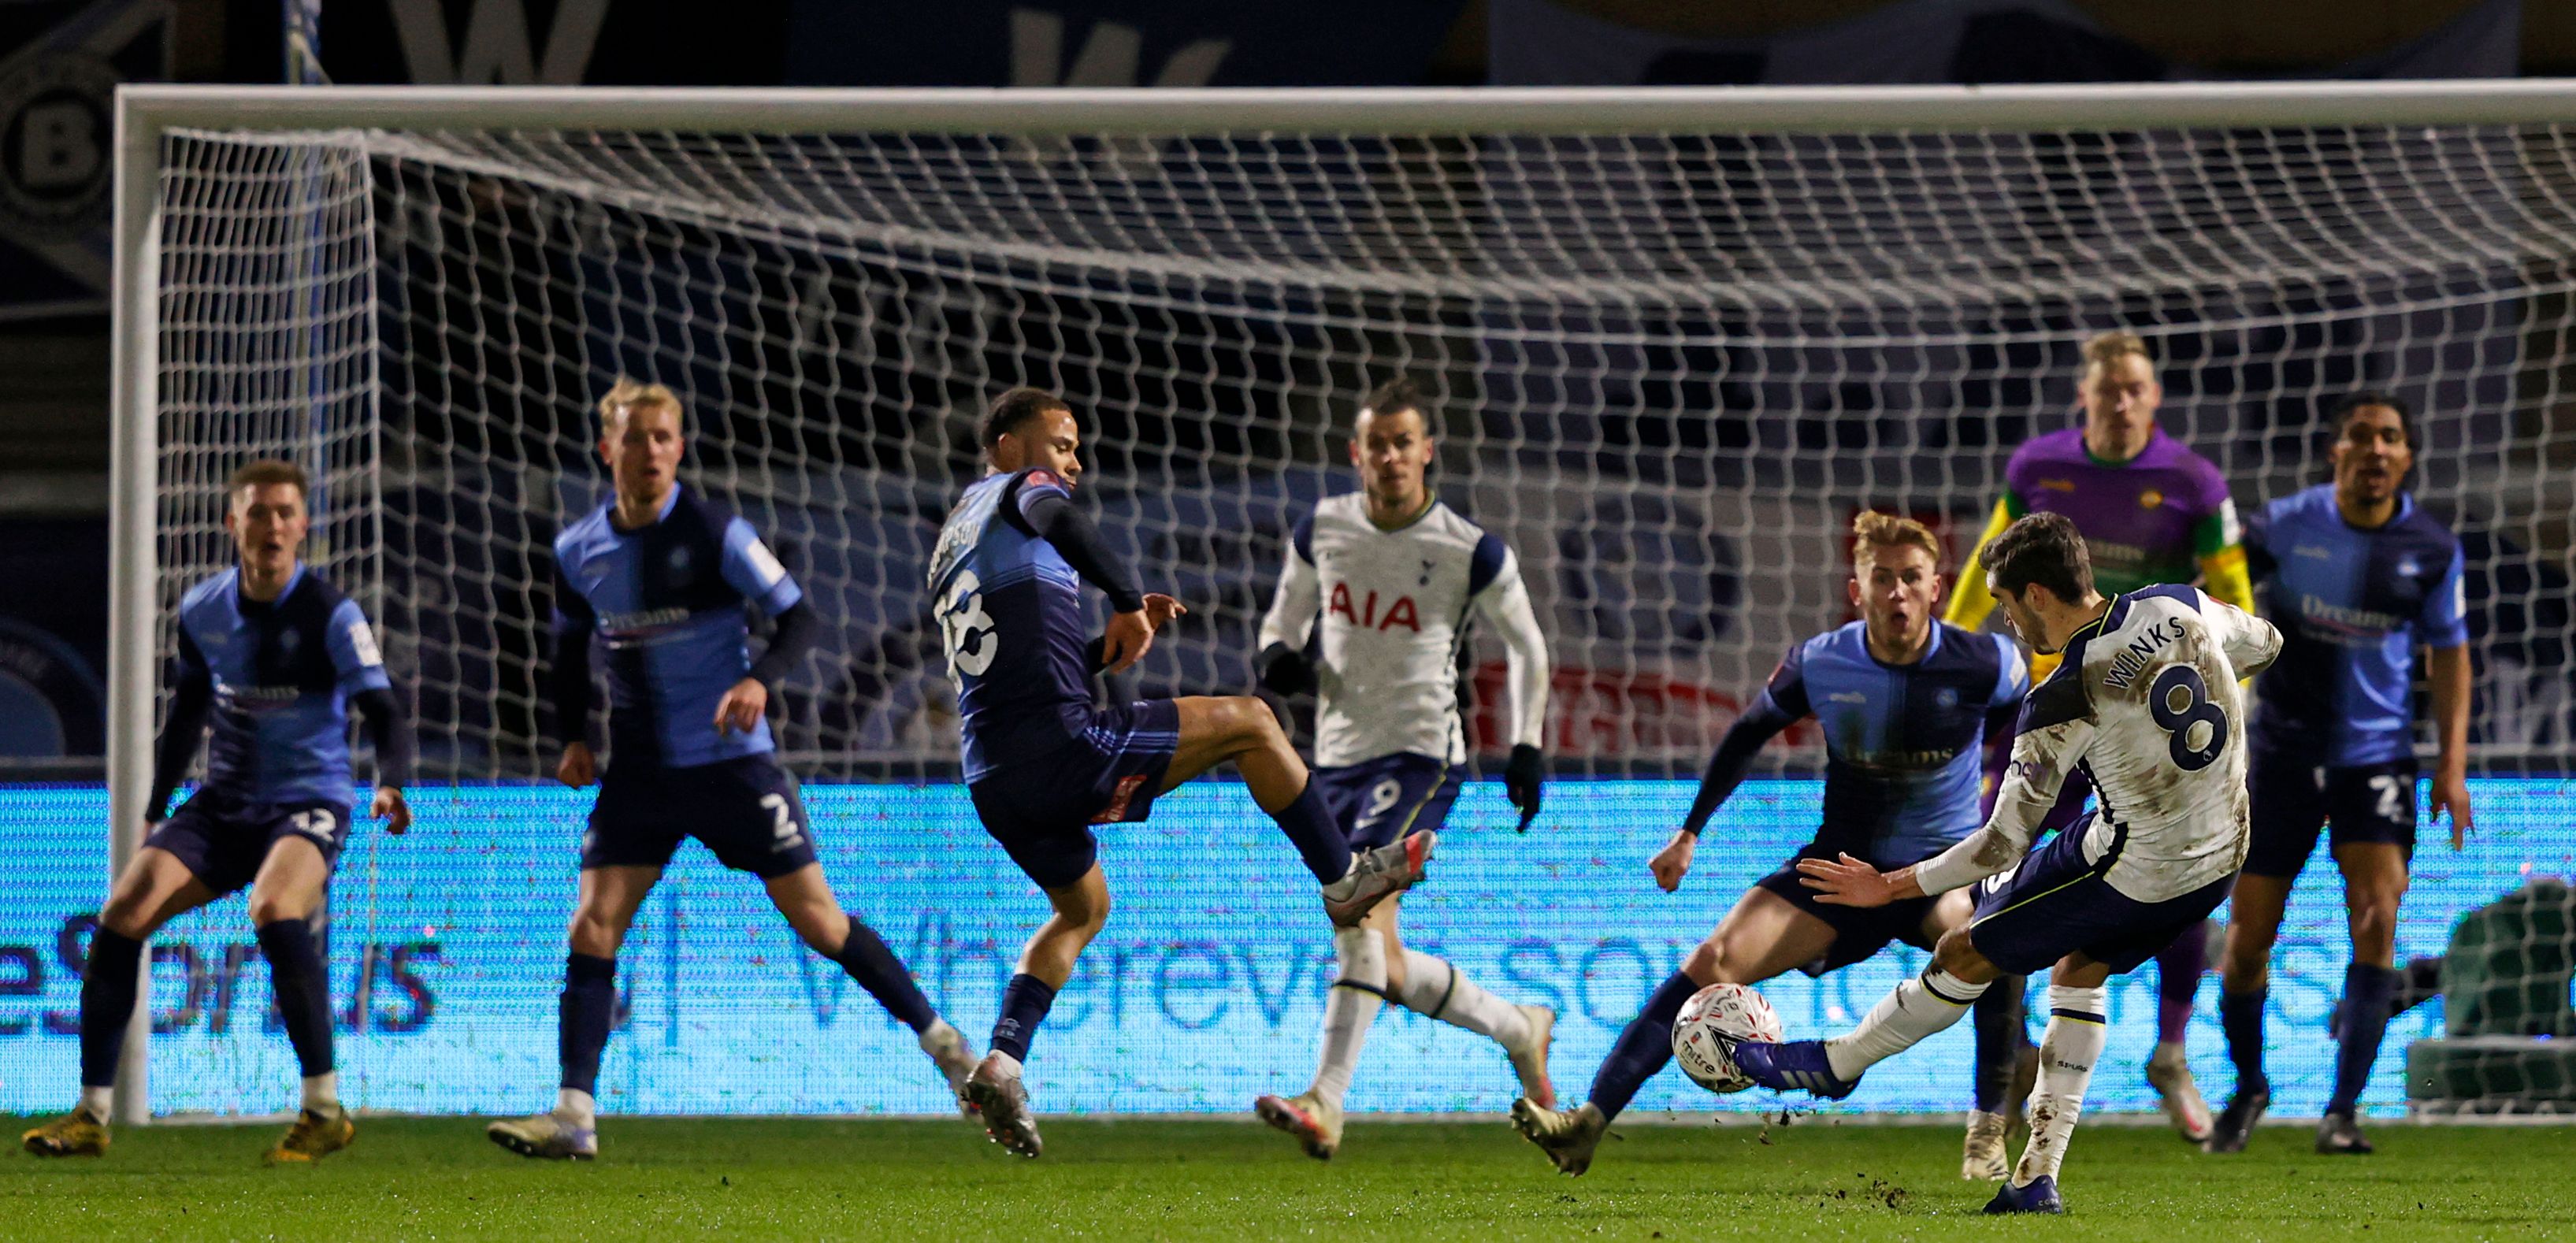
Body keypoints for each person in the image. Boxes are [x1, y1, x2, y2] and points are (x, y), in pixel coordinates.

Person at [930, 387, 1432, 1159]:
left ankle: (1001, 1060)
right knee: (1254, 723)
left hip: (993, 778)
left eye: (1074, 448)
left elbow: (1019, 666)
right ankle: (1345, 878)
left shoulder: (959, 532)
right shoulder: (1021, 494)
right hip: (1059, 750)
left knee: (1082, 909)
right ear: (1006, 445)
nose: (1073, 463)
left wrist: (1104, 651)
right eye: (1059, 444)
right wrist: (1128, 600)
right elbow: (1060, 517)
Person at [1732, 511, 2281, 1215]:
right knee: (2079, 969)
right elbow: (2266, 644)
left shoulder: (2063, 696)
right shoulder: (2180, 604)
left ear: (2038, 596)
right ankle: (2032, 1181)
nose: (2007, 621)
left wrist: (1887, 886)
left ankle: (1837, 1065)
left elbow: (2000, 844)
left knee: (1965, 948)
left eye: (2005, 602)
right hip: (2219, 854)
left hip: (2132, 870)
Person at [487, 380, 974, 1162]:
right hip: (640, 773)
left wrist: (758, 680)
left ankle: (946, 1047)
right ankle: (575, 1114)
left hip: (730, 766)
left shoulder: (715, 530)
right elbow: (564, 655)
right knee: (593, 923)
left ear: (680, 448)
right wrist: (573, 738)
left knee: (819, 922)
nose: (649, 451)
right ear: (607, 448)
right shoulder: (577, 550)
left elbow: (800, 617)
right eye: (635, 437)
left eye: (663, 438)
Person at [1511, 512, 2029, 1179]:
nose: (1897, 592)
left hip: (1937, 871)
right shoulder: (1822, 661)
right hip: (1839, 867)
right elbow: (1746, 734)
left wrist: (2002, 806)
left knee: (1994, 937)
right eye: (1882, 579)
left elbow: (2029, 727)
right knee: (1714, 957)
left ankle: (1985, 1132)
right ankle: (1587, 1123)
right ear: (1857, 590)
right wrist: (1689, 832)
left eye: (1911, 579)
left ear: (1936, 588)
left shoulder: (1989, 663)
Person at [22, 459, 414, 1163]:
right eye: (257, 512)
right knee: (121, 915)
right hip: (225, 804)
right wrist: (155, 807)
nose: (272, 526)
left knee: (274, 908)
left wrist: (391, 782)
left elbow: (384, 709)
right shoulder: (203, 608)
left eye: (285, 513)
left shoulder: (331, 613)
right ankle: (90, 1114)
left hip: (308, 801)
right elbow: (189, 711)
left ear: (304, 526)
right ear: (233, 523)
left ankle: (323, 1107)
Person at [1945, 330, 2256, 1142]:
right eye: (2107, 388)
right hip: (2056, 709)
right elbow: (1989, 560)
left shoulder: (2193, 482)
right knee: (2001, 857)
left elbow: (2227, 591)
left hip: (2146, 723)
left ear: (2154, 399)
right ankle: (2006, 1056)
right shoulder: (2035, 469)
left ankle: (2171, 1050)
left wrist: (2233, 696)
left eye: (2135, 389)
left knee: (2175, 872)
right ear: (2083, 395)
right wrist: (1951, 650)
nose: (2121, 401)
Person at [1248, 377, 1555, 1161]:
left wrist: (1525, 744)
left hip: (1423, 756)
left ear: (1426, 451)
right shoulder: (1323, 526)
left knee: (1354, 909)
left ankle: (1326, 1102)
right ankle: (1521, 1027)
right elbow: (1282, 620)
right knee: (1379, 955)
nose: (1389, 457)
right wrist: (1278, 659)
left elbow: (1527, 647)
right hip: (1337, 760)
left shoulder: (1468, 547)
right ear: (1357, 454)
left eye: (1403, 442)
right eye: (1375, 445)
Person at [2208, 393, 2473, 1155]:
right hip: (2282, 753)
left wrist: (2451, 766)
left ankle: (2343, 1111)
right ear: (2337, 452)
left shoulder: (2430, 546)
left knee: (2378, 917)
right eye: (2361, 436)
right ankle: (2250, 1084)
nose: (2375, 450)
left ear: (2407, 457)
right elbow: (2215, 592)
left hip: (2376, 757)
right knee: (2250, 937)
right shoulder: (2282, 526)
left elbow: (2450, 655)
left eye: (2390, 437)